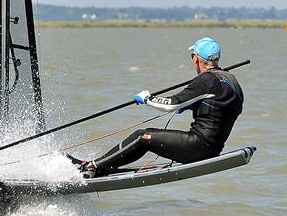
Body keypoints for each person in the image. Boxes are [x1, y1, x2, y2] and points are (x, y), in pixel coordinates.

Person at [75, 37, 243, 176]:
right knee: (145, 137)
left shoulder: (206, 80)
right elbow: (220, 109)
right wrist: (191, 105)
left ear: (197, 59)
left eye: (192, 56)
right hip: (214, 149)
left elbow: (171, 104)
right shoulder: (231, 80)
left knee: (142, 137)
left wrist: (147, 98)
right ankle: (106, 165)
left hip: (197, 146)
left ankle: (92, 166)